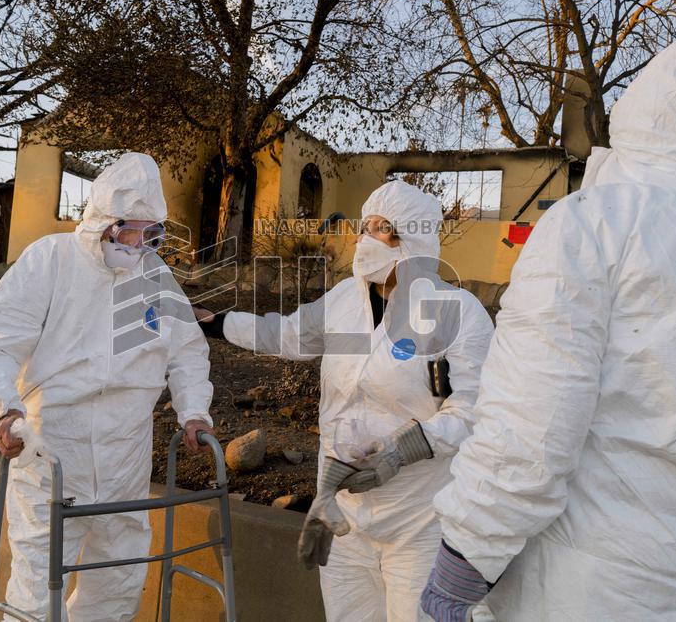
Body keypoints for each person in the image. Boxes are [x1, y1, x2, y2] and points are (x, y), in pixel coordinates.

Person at [420, 17, 676, 621]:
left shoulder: (597, 221)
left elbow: (530, 431)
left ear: (646, 107)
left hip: (609, 590)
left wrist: (462, 564)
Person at [196, 180, 494, 621]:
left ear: (411, 241)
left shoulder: (457, 312)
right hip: (344, 516)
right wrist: (216, 322)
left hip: (418, 523)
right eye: (364, 226)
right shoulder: (344, 301)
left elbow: (473, 410)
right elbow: (288, 334)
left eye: (380, 228)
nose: (363, 239)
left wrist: (401, 449)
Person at [0, 152, 215, 621]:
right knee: (39, 587)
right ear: (103, 220)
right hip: (53, 450)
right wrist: (2, 408)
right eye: (129, 231)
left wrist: (194, 412)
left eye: (151, 233)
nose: (139, 244)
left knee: (118, 579)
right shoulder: (51, 260)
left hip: (127, 453)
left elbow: (187, 351)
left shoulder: (153, 277)